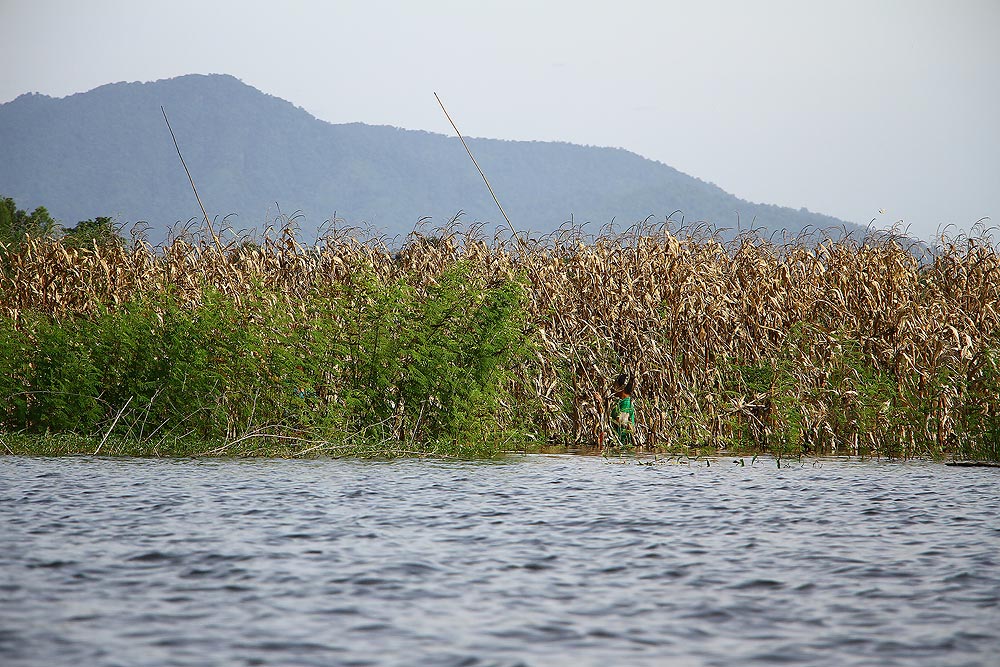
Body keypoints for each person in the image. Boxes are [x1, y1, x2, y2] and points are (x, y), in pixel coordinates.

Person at [609, 371, 635, 449]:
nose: (613, 389)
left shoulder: (626, 403)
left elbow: (622, 421)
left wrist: (608, 418)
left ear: (622, 388)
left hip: (623, 443)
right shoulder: (620, 402)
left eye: (616, 386)